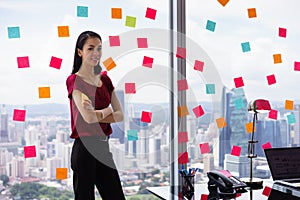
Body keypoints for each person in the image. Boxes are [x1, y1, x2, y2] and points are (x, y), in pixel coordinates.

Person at [66, 30, 125, 200]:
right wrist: (107, 111)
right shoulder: (74, 80)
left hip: (103, 147)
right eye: (90, 48)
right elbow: (88, 118)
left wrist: (97, 113)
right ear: (80, 52)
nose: (95, 53)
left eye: (99, 48)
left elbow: (120, 115)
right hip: (84, 150)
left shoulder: (105, 80)